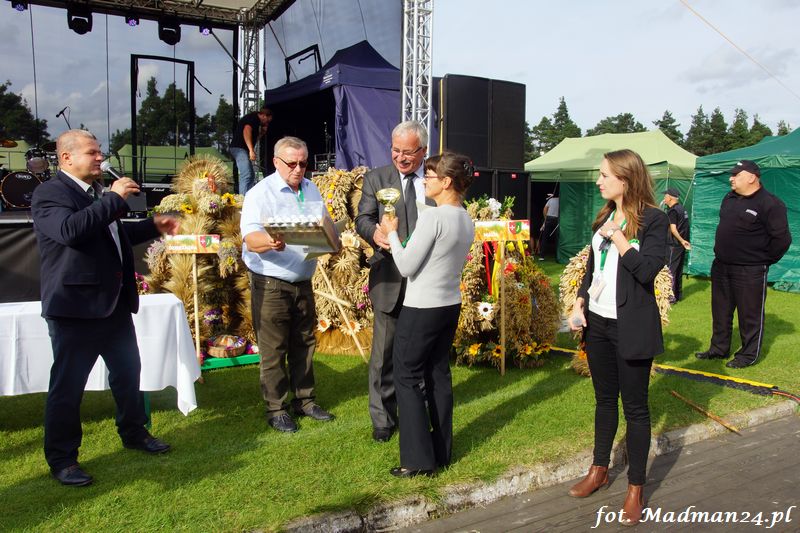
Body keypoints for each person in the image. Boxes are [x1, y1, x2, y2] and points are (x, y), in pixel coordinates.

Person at [31, 129, 180, 487]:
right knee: (68, 387)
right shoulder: (50, 193)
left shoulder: (95, 194)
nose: (100, 157)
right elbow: (70, 231)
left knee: (128, 374)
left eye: (100, 152)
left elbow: (111, 236)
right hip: (75, 308)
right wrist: (114, 198)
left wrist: (154, 225)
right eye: (92, 152)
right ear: (67, 158)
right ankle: (63, 459)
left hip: (113, 304)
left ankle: (134, 432)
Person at [567, 149, 668, 526]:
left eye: (605, 175)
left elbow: (646, 271)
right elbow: (592, 267)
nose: (599, 181)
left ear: (626, 179)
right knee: (604, 400)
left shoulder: (654, 220)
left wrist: (621, 238)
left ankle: (636, 488)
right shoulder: (603, 216)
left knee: (636, 408)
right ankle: (599, 470)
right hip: (598, 324)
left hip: (632, 326)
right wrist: (580, 300)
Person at [378, 152, 474, 477]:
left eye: (430, 176)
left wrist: (392, 233)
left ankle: (417, 461)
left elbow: (406, 265)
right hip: (449, 304)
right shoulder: (465, 217)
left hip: (422, 307)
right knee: (438, 374)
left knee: (406, 377)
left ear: (446, 182)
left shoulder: (433, 217)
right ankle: (442, 451)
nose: (425, 181)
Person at [240, 136, 335, 433]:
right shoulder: (260, 193)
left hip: (303, 279)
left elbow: (323, 223)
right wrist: (269, 241)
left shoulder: (311, 188)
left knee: (304, 344)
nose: (298, 169)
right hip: (271, 282)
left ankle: (305, 400)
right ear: (276, 162)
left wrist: (332, 240)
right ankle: (276, 408)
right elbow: (250, 239)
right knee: (273, 349)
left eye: (303, 163)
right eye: (292, 163)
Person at [355, 120, 434, 443]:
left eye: (408, 152)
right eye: (396, 150)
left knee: (423, 352)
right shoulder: (376, 178)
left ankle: (419, 411)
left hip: (425, 280)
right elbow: (363, 218)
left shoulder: (434, 179)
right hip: (389, 278)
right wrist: (374, 234)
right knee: (383, 355)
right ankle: (383, 419)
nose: (401, 158)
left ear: (423, 151)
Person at [695, 160, 791, 369]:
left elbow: (782, 240)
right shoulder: (729, 198)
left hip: (750, 270)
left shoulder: (770, 203)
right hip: (721, 266)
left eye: (736, 174)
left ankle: (747, 355)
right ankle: (718, 349)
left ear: (751, 177)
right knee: (720, 312)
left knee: (750, 315)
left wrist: (762, 260)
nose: (731, 178)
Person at [231, 106, 273, 194]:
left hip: (242, 149)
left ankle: (248, 196)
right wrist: (251, 150)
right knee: (246, 174)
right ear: (264, 116)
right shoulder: (254, 118)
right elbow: (246, 130)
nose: (267, 123)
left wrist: (261, 133)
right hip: (239, 149)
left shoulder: (255, 121)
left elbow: (253, 138)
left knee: (251, 175)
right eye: (267, 121)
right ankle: (243, 198)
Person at [663, 187, 690, 302]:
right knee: (678, 270)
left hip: (674, 244)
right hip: (680, 245)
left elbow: (673, 229)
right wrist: (683, 241)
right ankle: (678, 295)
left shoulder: (673, 211)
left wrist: (681, 240)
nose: (664, 198)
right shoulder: (682, 209)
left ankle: (670, 297)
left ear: (670, 197)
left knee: (670, 270)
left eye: (665, 196)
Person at [539, 193, 560, 260]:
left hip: (549, 218)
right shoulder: (561, 201)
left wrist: (545, 218)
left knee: (545, 237)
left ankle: (542, 256)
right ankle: (557, 255)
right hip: (557, 219)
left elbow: (545, 209)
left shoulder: (551, 200)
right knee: (557, 237)